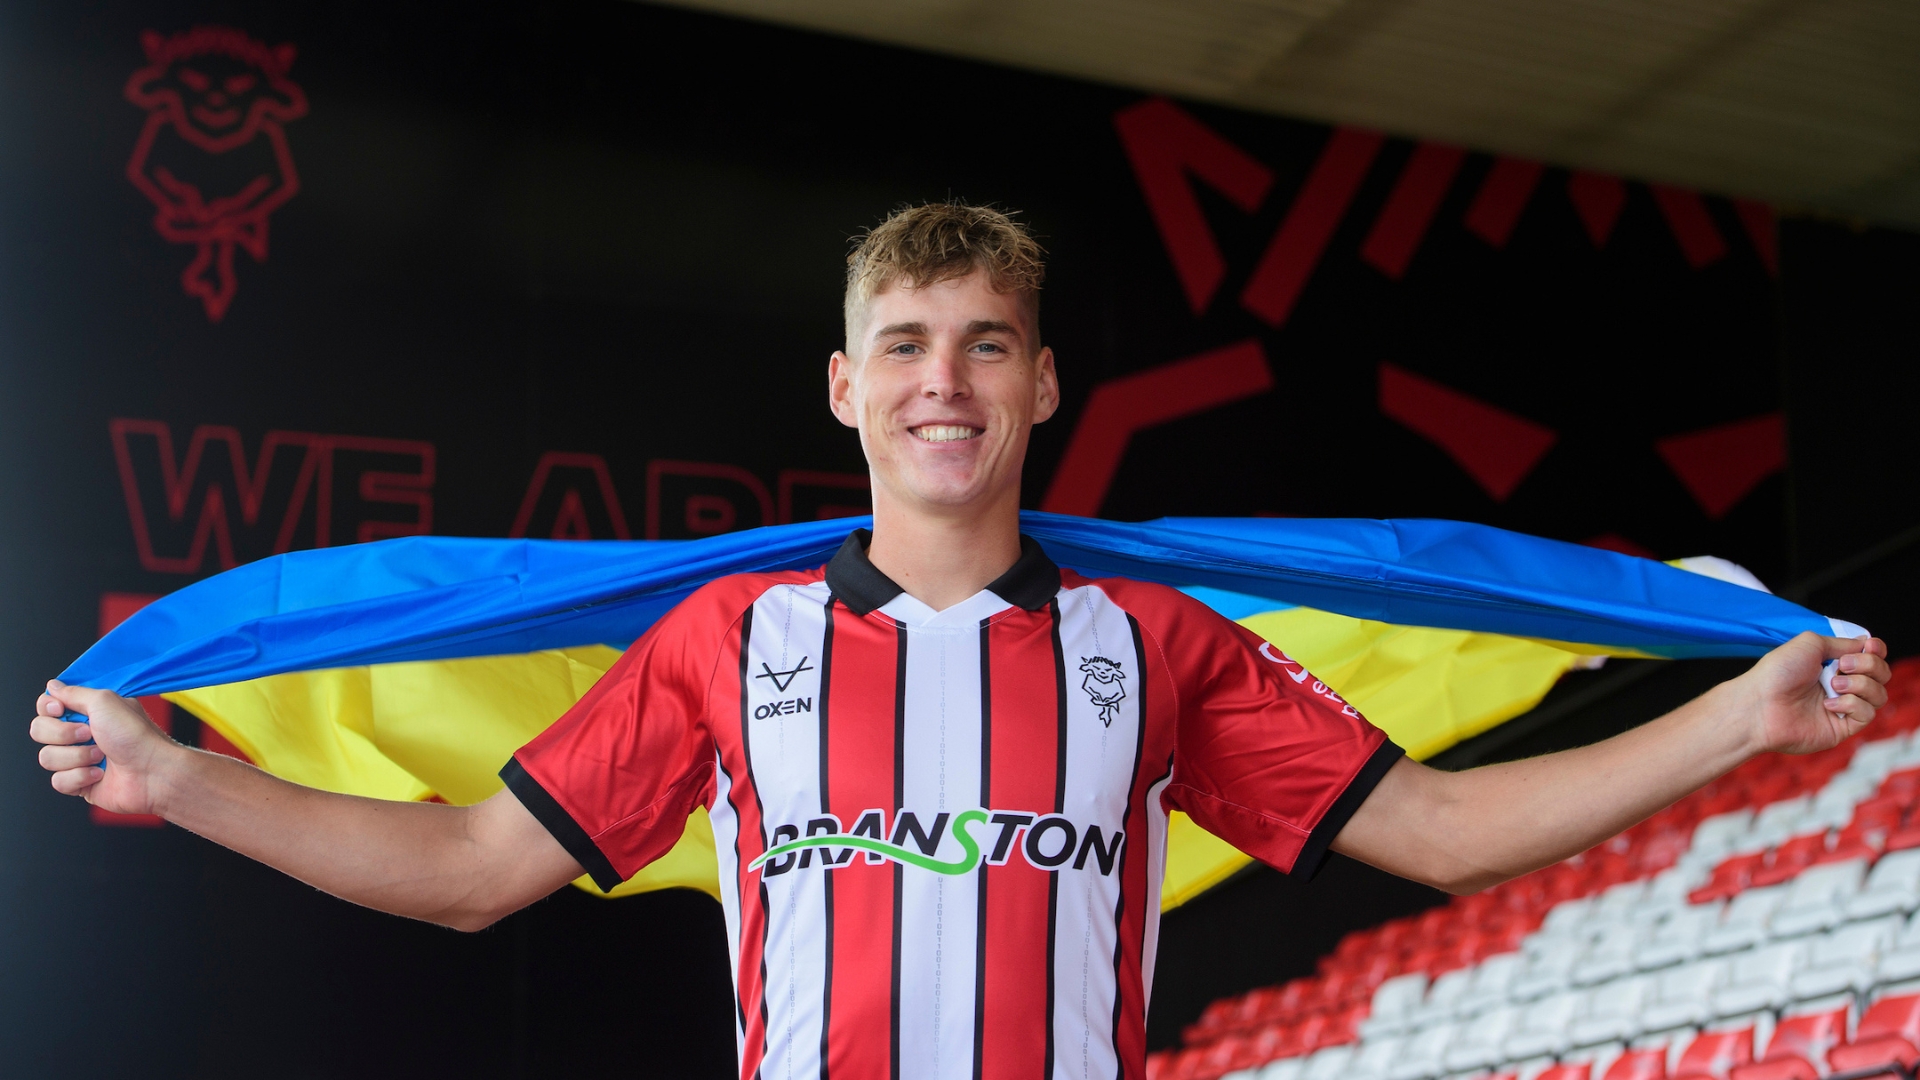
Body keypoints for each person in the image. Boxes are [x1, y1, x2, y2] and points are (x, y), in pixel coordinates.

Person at [31, 202, 1891, 1080]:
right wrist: (182, 785)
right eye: (907, 346)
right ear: (848, 388)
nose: (946, 381)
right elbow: (464, 872)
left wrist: (1741, 724)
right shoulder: (727, 640)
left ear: (1042, 383)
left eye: (986, 343)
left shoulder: (1151, 642)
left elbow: (1446, 833)